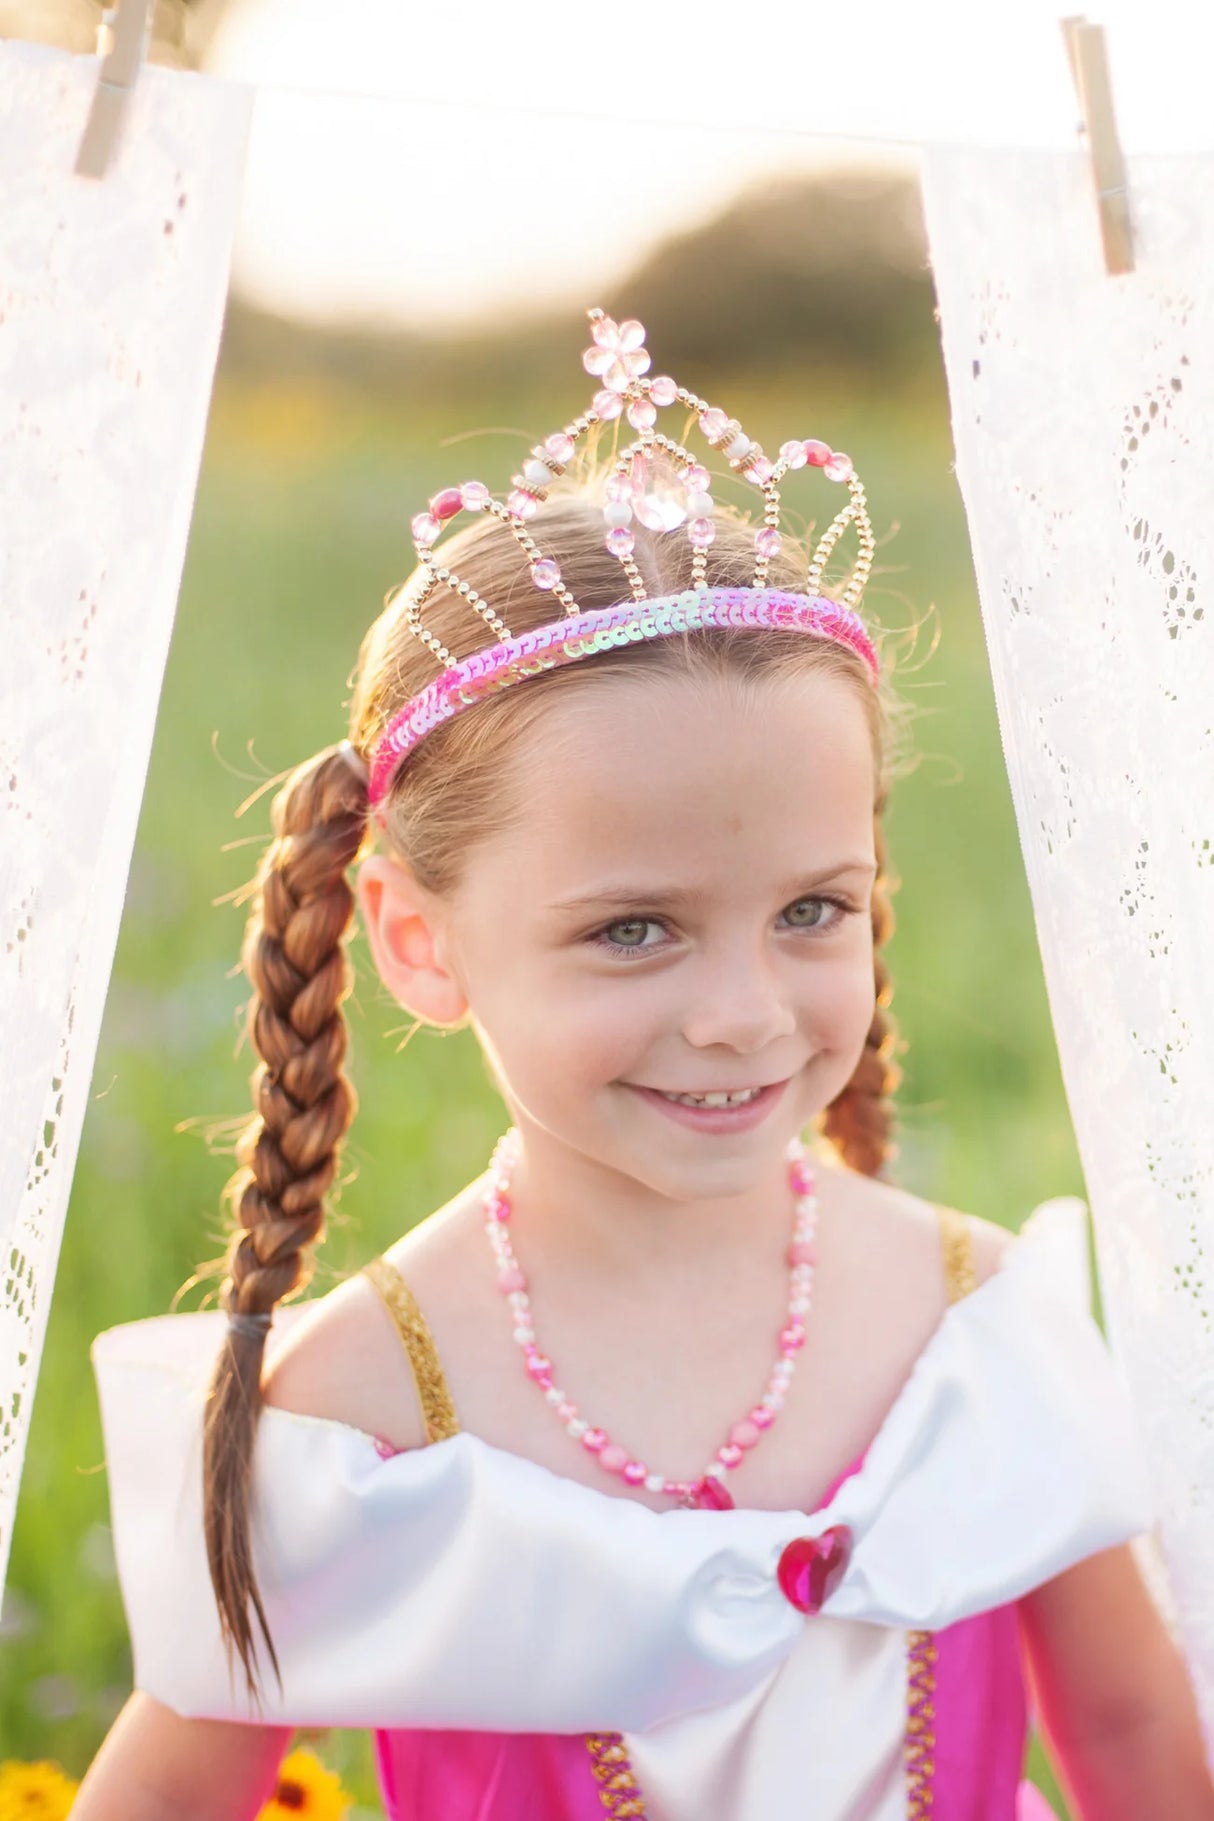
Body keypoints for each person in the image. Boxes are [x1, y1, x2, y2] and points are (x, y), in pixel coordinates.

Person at [75, 311, 1213, 1821]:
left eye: (809, 910)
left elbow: (1135, 1739)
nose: (742, 1012)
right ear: (416, 940)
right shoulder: (359, 1408)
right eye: (632, 930)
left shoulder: (975, 1324)